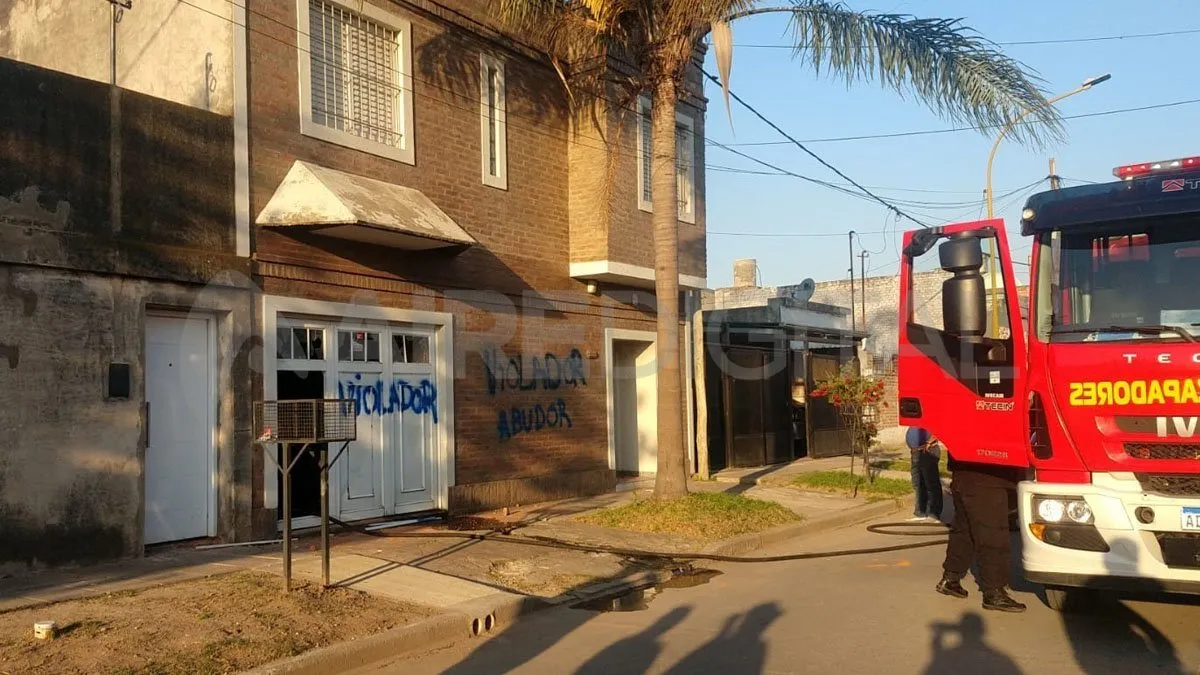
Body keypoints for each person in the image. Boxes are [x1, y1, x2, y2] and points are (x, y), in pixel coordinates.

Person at [935, 452, 1027, 613]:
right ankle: (994, 592)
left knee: (964, 532)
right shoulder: (991, 433)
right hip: (987, 480)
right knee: (992, 536)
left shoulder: (965, 429)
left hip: (962, 478)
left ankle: (950, 578)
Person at [904, 426, 944, 522]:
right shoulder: (917, 416)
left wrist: (929, 442)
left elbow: (940, 428)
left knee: (931, 483)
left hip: (928, 450)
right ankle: (920, 511)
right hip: (916, 452)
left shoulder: (931, 415)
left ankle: (934, 513)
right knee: (917, 483)